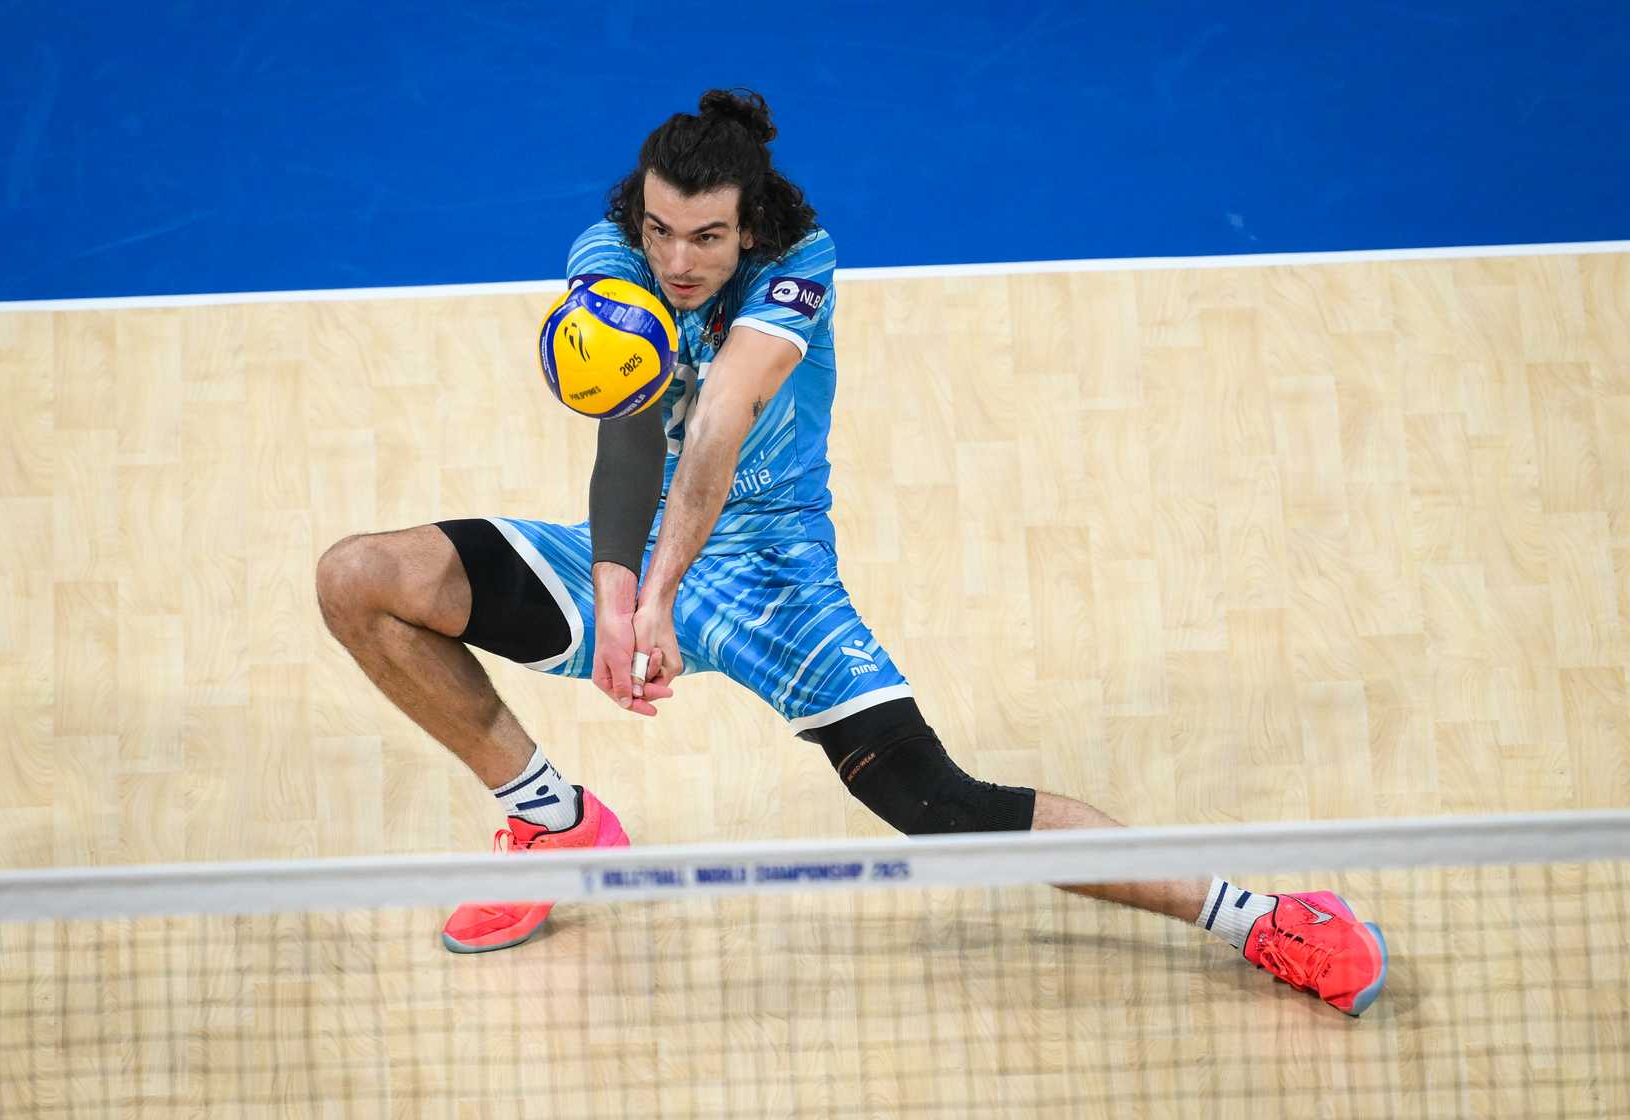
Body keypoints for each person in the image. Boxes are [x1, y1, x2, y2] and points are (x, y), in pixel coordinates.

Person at [314, 89, 1387, 1015]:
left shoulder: (799, 269)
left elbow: (720, 424)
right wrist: (617, 585)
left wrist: (660, 598)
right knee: (359, 580)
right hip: (642, 547)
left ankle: (1260, 918)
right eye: (660, 231)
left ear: (749, 228)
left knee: (940, 805)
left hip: (774, 575)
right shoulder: (610, 256)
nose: (677, 261)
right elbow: (631, 431)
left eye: (706, 238)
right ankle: (553, 821)